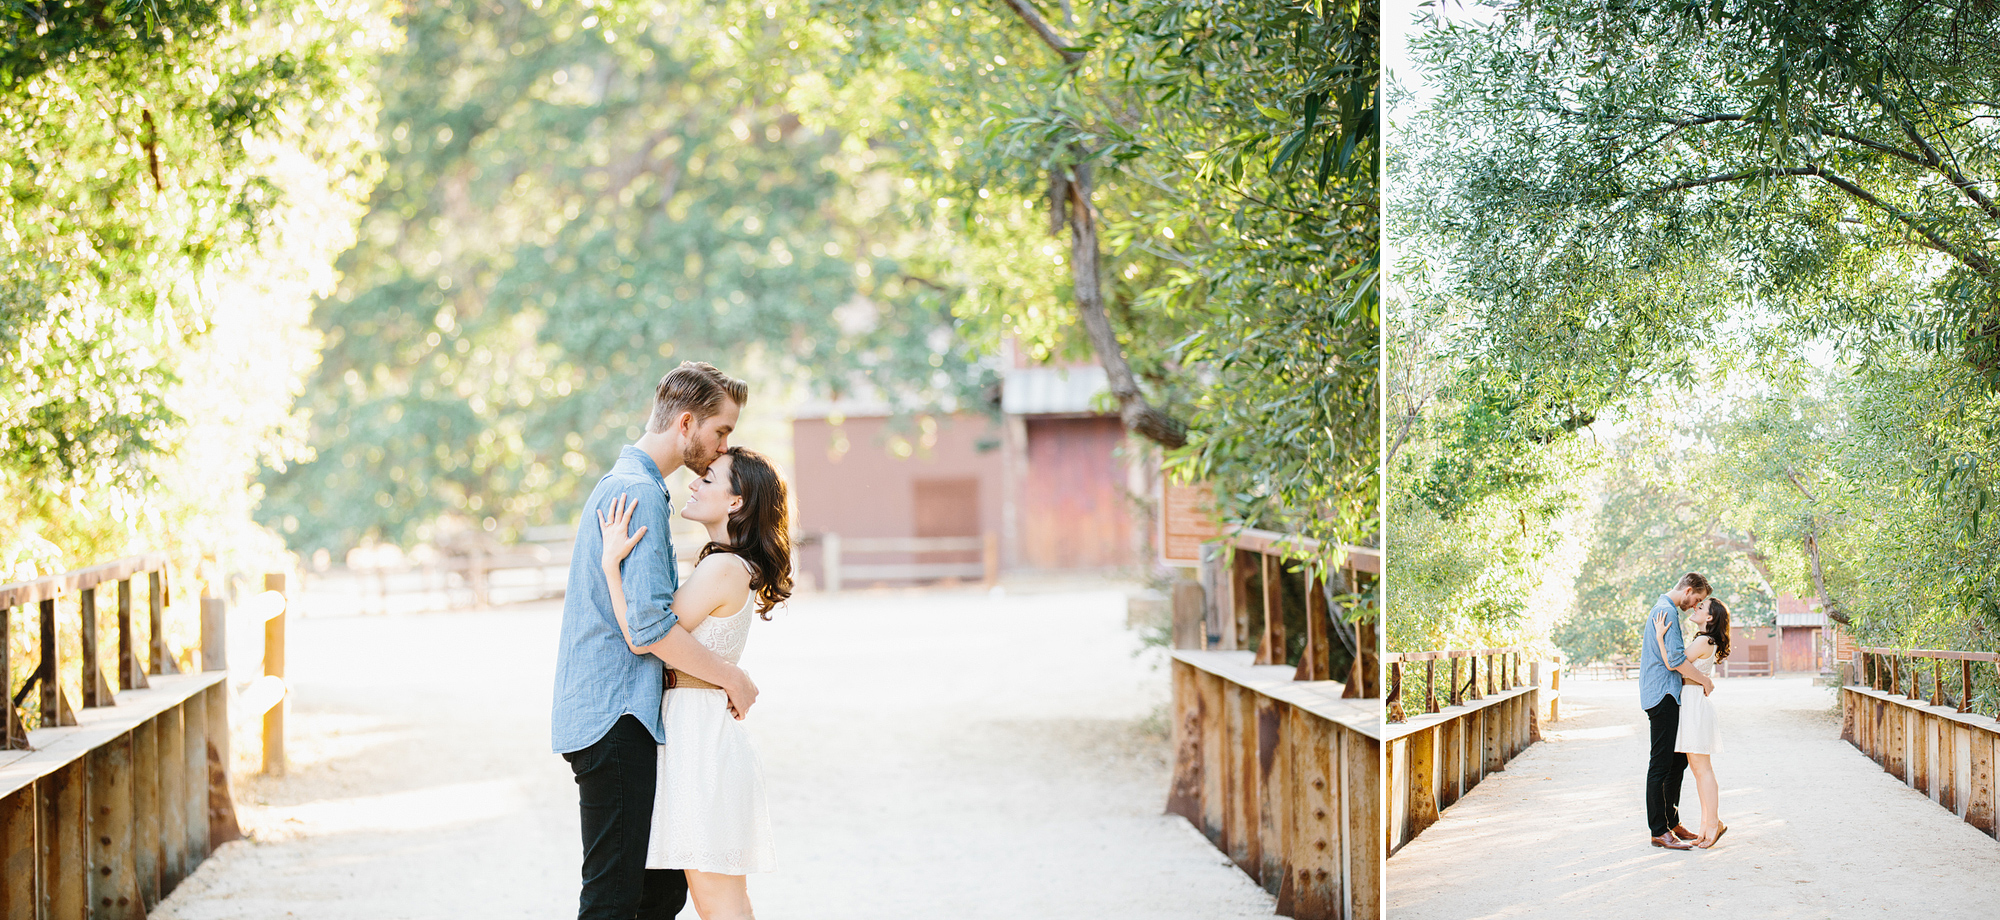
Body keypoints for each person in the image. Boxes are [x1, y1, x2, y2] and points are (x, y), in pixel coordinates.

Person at [549, 361, 760, 920]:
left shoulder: (636, 488)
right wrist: (732, 676)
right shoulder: (637, 493)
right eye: (721, 433)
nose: (720, 451)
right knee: (616, 898)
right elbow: (649, 630)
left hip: (623, 713)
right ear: (687, 424)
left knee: (658, 893)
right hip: (615, 713)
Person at [599, 446, 791, 920]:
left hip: (702, 745)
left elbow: (645, 638)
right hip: (698, 739)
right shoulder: (727, 564)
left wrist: (609, 567)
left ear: (736, 502)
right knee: (724, 903)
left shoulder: (723, 567)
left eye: (708, 479)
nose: (693, 484)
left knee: (719, 905)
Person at [1639, 572, 1715, 850]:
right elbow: (1675, 660)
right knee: (1661, 764)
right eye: (1698, 598)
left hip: (1669, 694)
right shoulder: (1665, 611)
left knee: (1677, 762)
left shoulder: (1667, 609)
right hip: (1663, 694)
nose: (1696, 604)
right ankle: (1659, 830)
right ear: (1688, 589)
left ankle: (1671, 822)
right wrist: (1706, 680)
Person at [1654, 596, 1731, 848]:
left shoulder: (1703, 640)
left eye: (1702, 607)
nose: (1696, 607)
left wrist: (1659, 638)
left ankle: (1713, 824)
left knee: (1703, 769)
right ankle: (1707, 824)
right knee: (1699, 771)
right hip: (1692, 703)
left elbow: (1673, 664)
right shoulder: (1704, 639)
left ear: (1709, 618)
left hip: (1695, 704)